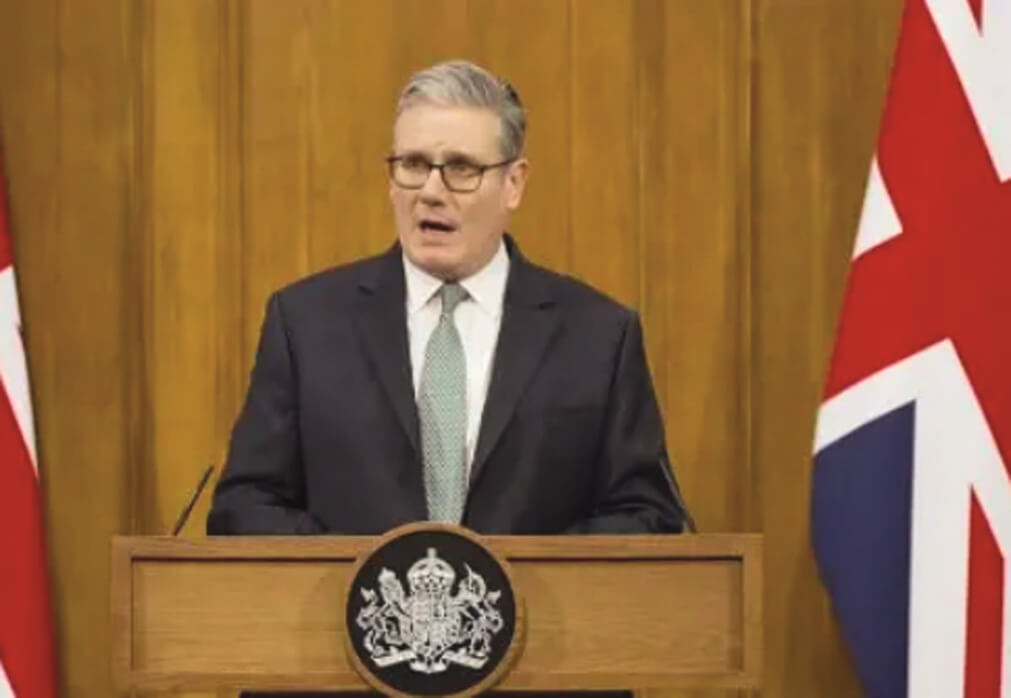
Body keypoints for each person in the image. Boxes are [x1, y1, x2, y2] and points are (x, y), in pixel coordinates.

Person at [207, 61, 685, 695]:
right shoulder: (306, 323)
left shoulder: (598, 334)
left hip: (540, 679)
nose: (431, 191)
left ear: (514, 183)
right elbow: (245, 507)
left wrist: (511, 589)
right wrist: (369, 581)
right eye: (412, 164)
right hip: (342, 677)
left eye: (461, 168)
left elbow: (646, 516)